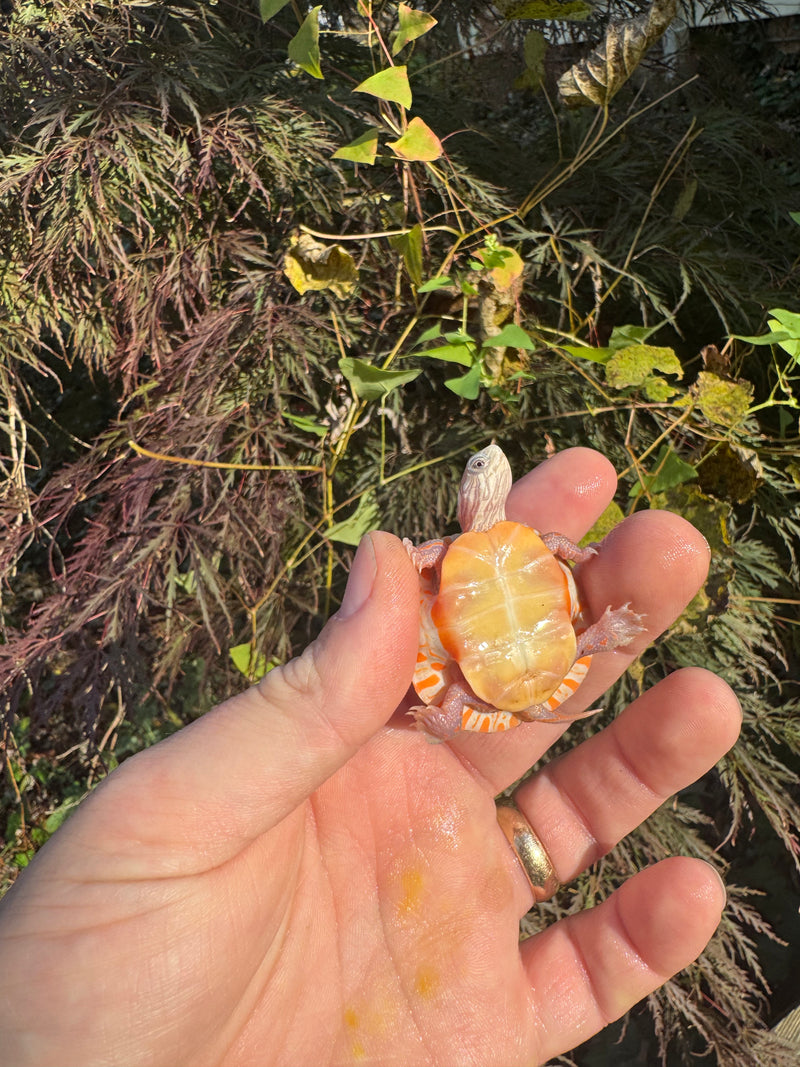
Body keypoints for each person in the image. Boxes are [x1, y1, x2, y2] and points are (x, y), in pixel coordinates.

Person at [0, 447, 741, 1067]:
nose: (483, 472)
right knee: (511, 662)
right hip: (531, 657)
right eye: (485, 470)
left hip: (493, 661)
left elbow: (525, 560)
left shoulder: (468, 551)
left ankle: (568, 651)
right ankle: (588, 642)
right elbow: (559, 558)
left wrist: (430, 578)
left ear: (464, 498)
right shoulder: (515, 548)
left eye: (482, 469)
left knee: (477, 666)